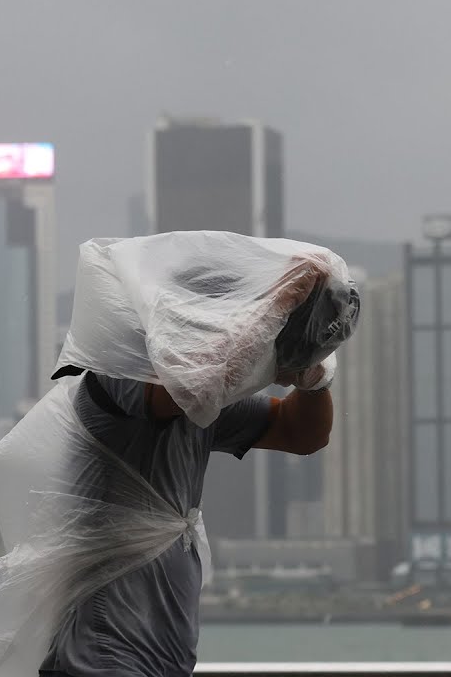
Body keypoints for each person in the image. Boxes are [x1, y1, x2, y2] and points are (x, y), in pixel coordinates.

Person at [40, 259, 337, 677]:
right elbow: (188, 390)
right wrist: (275, 306)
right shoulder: (118, 373)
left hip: (158, 652)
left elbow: (302, 433)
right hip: (104, 652)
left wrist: (312, 372)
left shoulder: (204, 408)